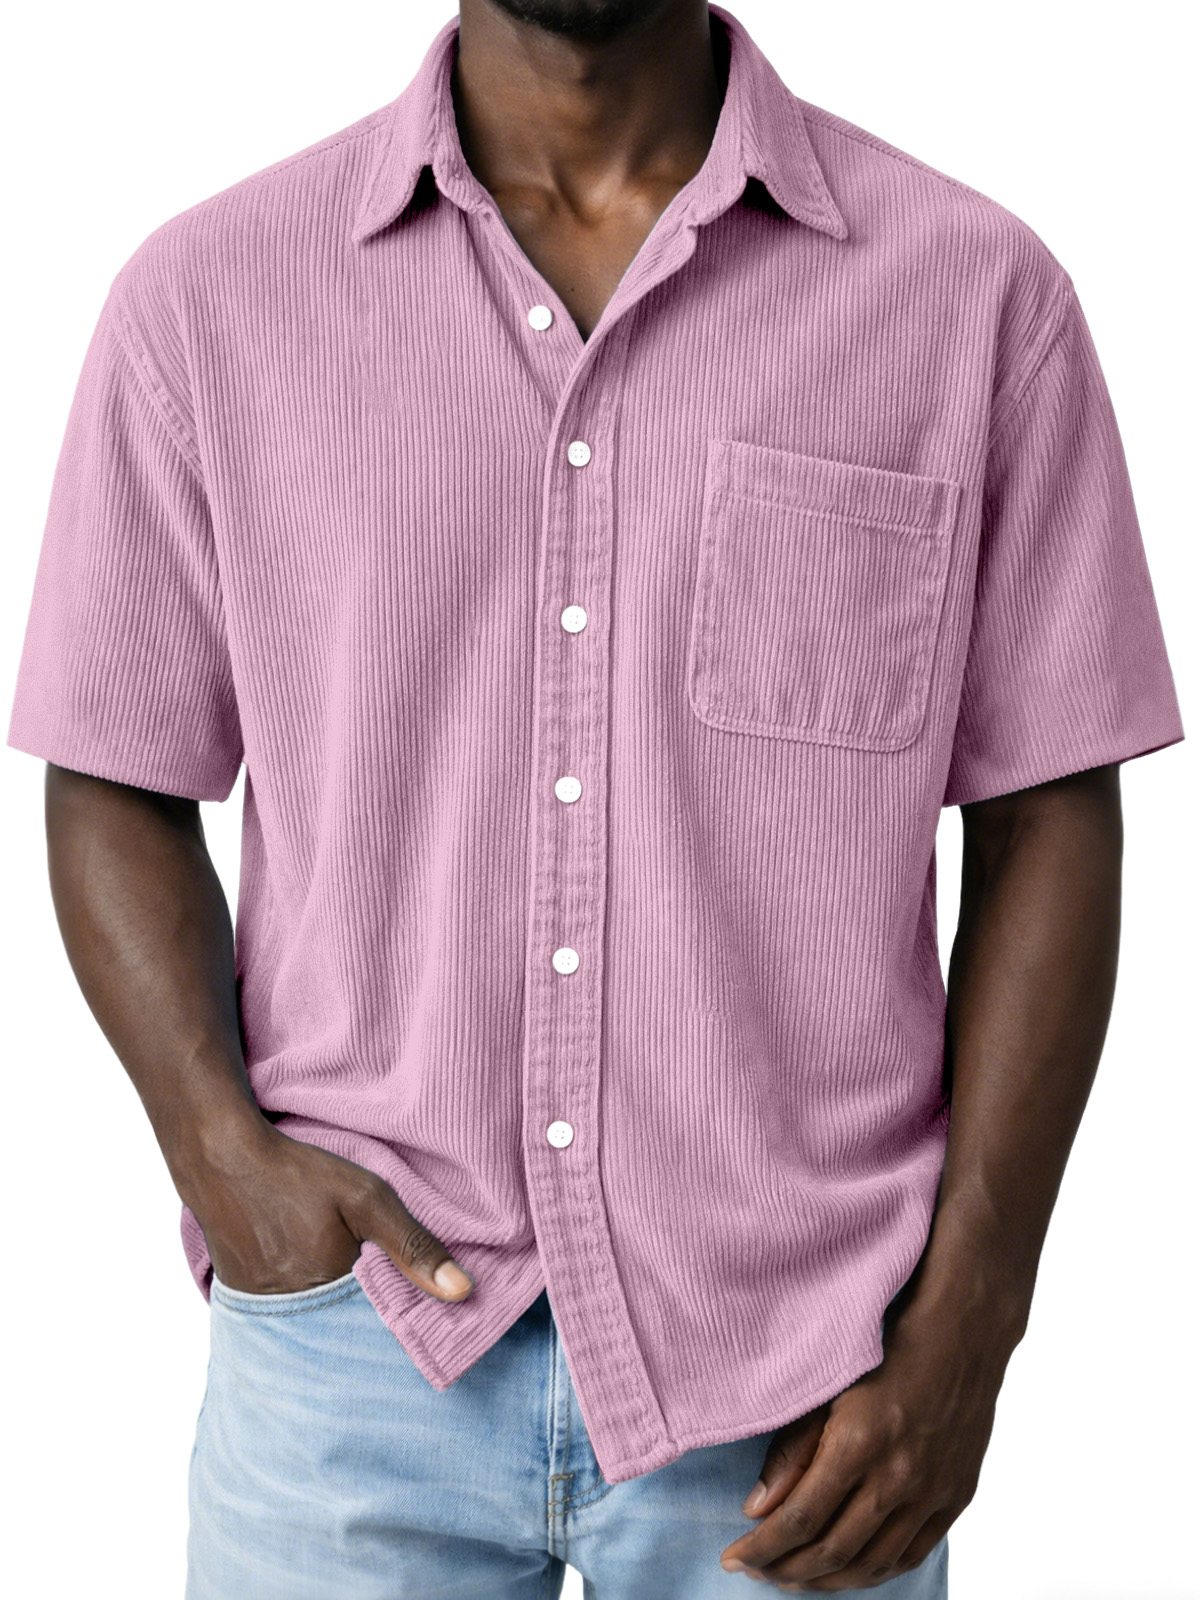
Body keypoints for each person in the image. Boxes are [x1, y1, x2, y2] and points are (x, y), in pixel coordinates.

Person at [7, 0, 1184, 1594]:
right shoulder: (209, 298)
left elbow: (1049, 810)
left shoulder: (972, 296)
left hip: (808, 1376)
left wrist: (976, 1313)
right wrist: (225, 1160)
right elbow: (111, 768)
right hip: (358, 1354)